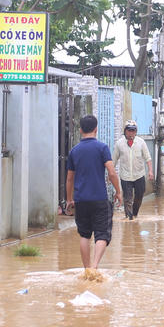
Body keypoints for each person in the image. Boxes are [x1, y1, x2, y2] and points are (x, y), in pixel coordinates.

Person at [65, 114, 123, 272]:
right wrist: (118, 192)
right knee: (102, 234)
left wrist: (69, 199)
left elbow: (69, 178)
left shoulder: (74, 151)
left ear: (80, 130)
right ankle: (95, 267)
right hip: (99, 199)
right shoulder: (102, 148)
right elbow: (112, 172)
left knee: (84, 235)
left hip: (80, 200)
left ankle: (86, 269)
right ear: (96, 129)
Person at [113, 120, 153, 221]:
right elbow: (114, 160)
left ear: (136, 131)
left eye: (133, 130)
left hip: (139, 175)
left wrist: (150, 171)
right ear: (125, 131)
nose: (131, 133)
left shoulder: (141, 142)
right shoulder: (119, 144)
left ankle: (134, 214)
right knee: (127, 199)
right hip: (125, 176)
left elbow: (148, 158)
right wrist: (110, 174)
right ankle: (129, 218)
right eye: (129, 130)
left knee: (139, 195)